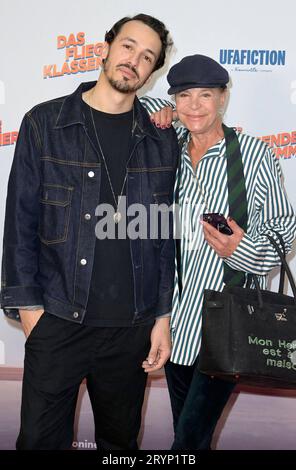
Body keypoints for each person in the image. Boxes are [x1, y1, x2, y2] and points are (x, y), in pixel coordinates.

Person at [0, 14, 179, 450]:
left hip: (130, 329)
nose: (134, 60)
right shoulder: (45, 123)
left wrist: (161, 317)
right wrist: (29, 311)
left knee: (120, 446)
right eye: (128, 46)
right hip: (58, 319)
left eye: (147, 57)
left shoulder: (161, 140)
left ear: (151, 73)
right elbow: (20, 221)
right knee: (40, 442)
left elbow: (163, 237)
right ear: (105, 48)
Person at [141, 54, 296, 449]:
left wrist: (240, 248)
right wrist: (163, 112)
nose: (195, 105)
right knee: (187, 432)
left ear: (224, 98)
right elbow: (127, 101)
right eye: (184, 96)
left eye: (206, 95)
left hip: (227, 328)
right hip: (174, 323)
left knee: (189, 440)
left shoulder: (254, 155)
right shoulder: (166, 147)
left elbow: (284, 232)